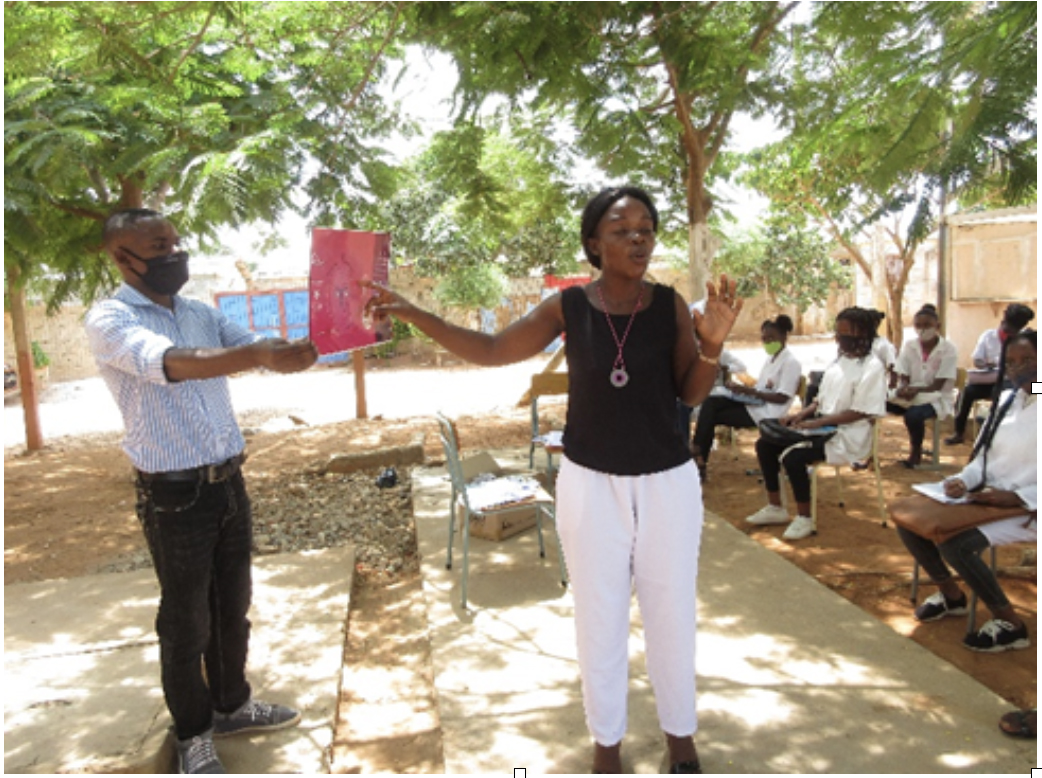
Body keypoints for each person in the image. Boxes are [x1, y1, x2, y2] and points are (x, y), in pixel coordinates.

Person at [364, 186, 743, 775]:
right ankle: (606, 747)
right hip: (591, 484)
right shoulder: (568, 308)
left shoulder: (669, 305)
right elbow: (491, 349)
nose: (638, 237)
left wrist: (713, 342)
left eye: (646, 227)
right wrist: (415, 313)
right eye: (622, 229)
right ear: (594, 243)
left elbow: (690, 393)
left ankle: (681, 740)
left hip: (667, 482)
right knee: (600, 613)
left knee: (671, 610)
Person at [85, 209, 319, 774]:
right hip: (174, 496)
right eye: (158, 245)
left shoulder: (199, 312)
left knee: (232, 604)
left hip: (227, 482)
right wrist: (258, 356)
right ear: (123, 257)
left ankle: (232, 704)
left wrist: (302, 345)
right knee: (186, 619)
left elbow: (259, 345)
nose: (175, 254)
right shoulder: (110, 318)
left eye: (175, 242)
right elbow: (169, 363)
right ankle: (193, 733)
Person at [897, 330, 1036, 653]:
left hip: (1028, 507)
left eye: (1028, 360)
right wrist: (963, 480)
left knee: (956, 545)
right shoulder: (1006, 401)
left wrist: (1018, 497)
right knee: (911, 522)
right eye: (1011, 362)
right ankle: (952, 595)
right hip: (989, 499)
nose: (1018, 369)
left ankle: (1012, 625)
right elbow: (983, 459)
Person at [745, 307, 887, 541]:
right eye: (837, 333)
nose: (839, 339)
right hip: (824, 427)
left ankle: (804, 518)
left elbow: (861, 411)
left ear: (862, 333)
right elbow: (820, 400)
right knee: (765, 445)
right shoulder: (838, 361)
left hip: (848, 435)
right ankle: (775, 507)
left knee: (794, 457)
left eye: (845, 334)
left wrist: (819, 422)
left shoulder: (872, 367)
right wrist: (801, 415)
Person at [690, 315, 802, 481]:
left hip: (767, 413)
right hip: (756, 404)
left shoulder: (790, 363)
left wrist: (750, 392)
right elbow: (761, 387)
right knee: (712, 402)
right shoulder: (771, 359)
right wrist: (741, 391)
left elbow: (782, 397)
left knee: (710, 414)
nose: (767, 343)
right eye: (764, 339)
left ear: (784, 336)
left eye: (772, 338)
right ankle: (699, 457)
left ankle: (699, 457)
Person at [944, 303, 1035, 445]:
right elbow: (977, 360)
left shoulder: (1028, 341)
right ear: (1003, 322)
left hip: (1015, 384)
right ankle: (960, 432)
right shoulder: (988, 336)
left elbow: (1035, 385)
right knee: (968, 391)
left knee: (1002, 392)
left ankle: (995, 429)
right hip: (990, 378)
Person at [886, 304, 958, 468]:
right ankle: (869, 455)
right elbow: (903, 373)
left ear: (937, 327)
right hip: (911, 395)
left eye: (927, 325)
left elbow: (939, 384)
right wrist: (904, 387)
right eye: (918, 325)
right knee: (876, 403)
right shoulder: (910, 346)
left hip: (936, 397)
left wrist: (916, 389)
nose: (922, 330)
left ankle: (915, 452)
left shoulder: (948, 349)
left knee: (913, 415)